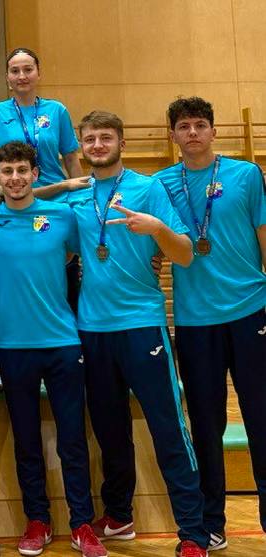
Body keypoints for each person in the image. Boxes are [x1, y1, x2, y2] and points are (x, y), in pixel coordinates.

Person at [69, 111, 208, 557]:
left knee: (168, 428)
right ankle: (119, 515)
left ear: (121, 143)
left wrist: (158, 229)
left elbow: (184, 254)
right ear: (82, 146)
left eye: (105, 138)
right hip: (92, 330)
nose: (97, 145)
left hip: (142, 325)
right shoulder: (78, 196)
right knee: (109, 432)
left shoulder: (149, 189)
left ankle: (193, 533)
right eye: (90, 139)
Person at [0, 141, 106, 557]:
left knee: (72, 439)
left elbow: (101, 250)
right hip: (12, 348)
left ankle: (82, 522)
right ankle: (37, 520)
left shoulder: (62, 216)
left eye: (22, 170)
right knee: (27, 440)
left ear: (36, 174)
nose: (15, 178)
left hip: (64, 342)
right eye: (7, 171)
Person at [153, 96, 266, 552]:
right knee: (205, 424)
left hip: (251, 309)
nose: (193, 133)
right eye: (184, 126)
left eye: (200, 125)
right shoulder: (161, 183)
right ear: (173, 135)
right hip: (195, 321)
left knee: (261, 417)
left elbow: (263, 237)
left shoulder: (246, 175)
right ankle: (212, 522)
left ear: (214, 131)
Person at [0, 48, 85, 199]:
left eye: (28, 69)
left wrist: (82, 197)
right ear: (7, 77)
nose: (22, 76)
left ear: (39, 73)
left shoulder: (57, 110)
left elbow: (71, 158)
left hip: (56, 197)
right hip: (12, 197)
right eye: (15, 71)